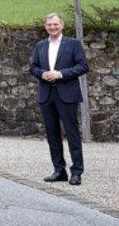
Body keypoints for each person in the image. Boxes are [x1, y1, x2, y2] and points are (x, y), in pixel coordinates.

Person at [30, 13, 88, 186]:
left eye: (55, 24)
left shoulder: (73, 44)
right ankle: (59, 170)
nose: (52, 27)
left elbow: (83, 66)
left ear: (62, 25)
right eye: (49, 24)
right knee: (52, 133)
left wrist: (61, 74)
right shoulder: (40, 45)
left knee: (72, 133)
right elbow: (33, 67)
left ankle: (76, 171)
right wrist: (42, 74)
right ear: (46, 27)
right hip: (47, 94)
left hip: (67, 93)